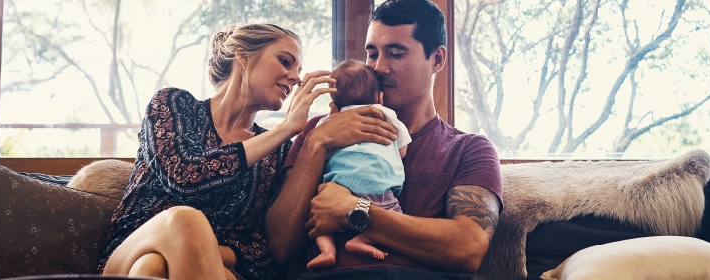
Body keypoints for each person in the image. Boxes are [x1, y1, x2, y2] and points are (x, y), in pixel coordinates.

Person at [97, 23, 362, 280]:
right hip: (130, 252)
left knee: (152, 269)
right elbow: (185, 178)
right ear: (243, 58)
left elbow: (268, 253)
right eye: (285, 61)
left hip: (216, 268)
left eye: (298, 69)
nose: (295, 78)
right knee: (184, 221)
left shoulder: (278, 154)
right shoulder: (173, 106)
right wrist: (285, 129)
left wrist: (196, 247)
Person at [266, 0, 504, 279]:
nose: (379, 67)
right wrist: (318, 143)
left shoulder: (469, 149)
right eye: (372, 54)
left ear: (437, 59)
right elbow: (281, 245)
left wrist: (355, 210)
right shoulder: (321, 129)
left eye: (395, 54)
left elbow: (468, 248)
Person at [306, 59, 412, 270]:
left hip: (337, 186)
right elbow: (402, 149)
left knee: (320, 217)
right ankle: (361, 240)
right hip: (379, 187)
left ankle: (327, 250)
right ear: (378, 97)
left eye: (396, 54)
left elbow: (320, 156)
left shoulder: (326, 122)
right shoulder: (385, 114)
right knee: (395, 220)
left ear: (334, 103)